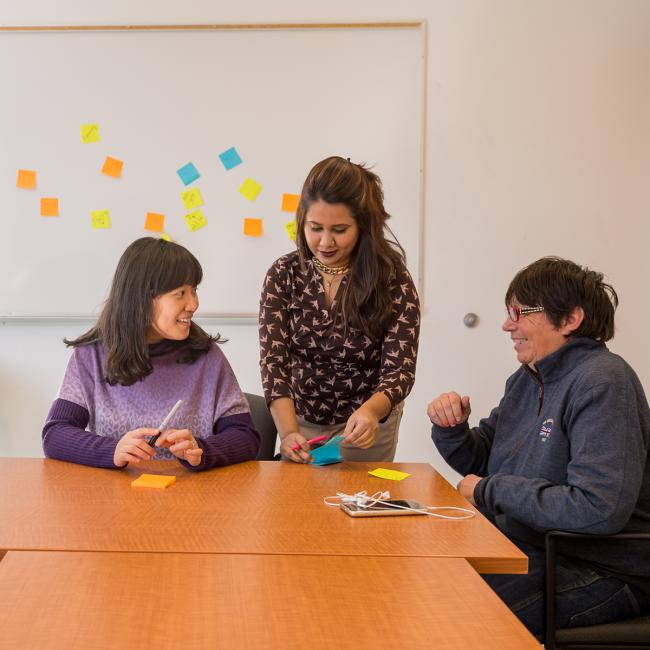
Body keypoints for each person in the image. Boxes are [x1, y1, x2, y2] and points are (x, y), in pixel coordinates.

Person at [428, 257, 650, 636]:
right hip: (528, 547)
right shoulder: (527, 378)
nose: (506, 324)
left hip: (604, 570)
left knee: (455, 615)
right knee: (427, 578)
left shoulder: (603, 382)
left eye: (519, 312)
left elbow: (599, 508)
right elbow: (483, 458)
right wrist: (452, 429)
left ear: (570, 319)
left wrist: (488, 490)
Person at [43, 237, 260, 471]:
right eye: (180, 293)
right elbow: (55, 434)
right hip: (114, 500)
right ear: (142, 298)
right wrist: (112, 450)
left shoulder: (207, 356)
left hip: (194, 500)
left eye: (194, 290)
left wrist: (202, 450)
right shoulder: (91, 356)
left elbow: (246, 437)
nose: (194, 304)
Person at [259, 156, 420, 463]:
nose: (325, 242)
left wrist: (372, 412)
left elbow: (399, 370)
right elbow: (273, 363)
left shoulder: (391, 277)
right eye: (315, 228)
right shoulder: (284, 274)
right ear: (302, 220)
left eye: (340, 229)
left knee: (356, 505)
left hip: (366, 427)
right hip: (299, 422)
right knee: (297, 508)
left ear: (363, 226)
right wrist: (288, 432)